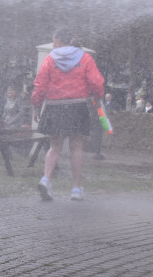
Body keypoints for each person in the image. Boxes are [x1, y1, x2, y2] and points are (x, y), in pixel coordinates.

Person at [31, 28, 105, 202]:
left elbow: (40, 85)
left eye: (54, 41)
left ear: (58, 41)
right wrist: (97, 97)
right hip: (78, 106)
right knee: (76, 148)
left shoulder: (50, 59)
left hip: (54, 106)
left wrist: (36, 106)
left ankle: (46, 179)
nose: (53, 44)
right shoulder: (85, 58)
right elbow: (95, 82)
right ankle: (77, 189)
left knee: (54, 147)